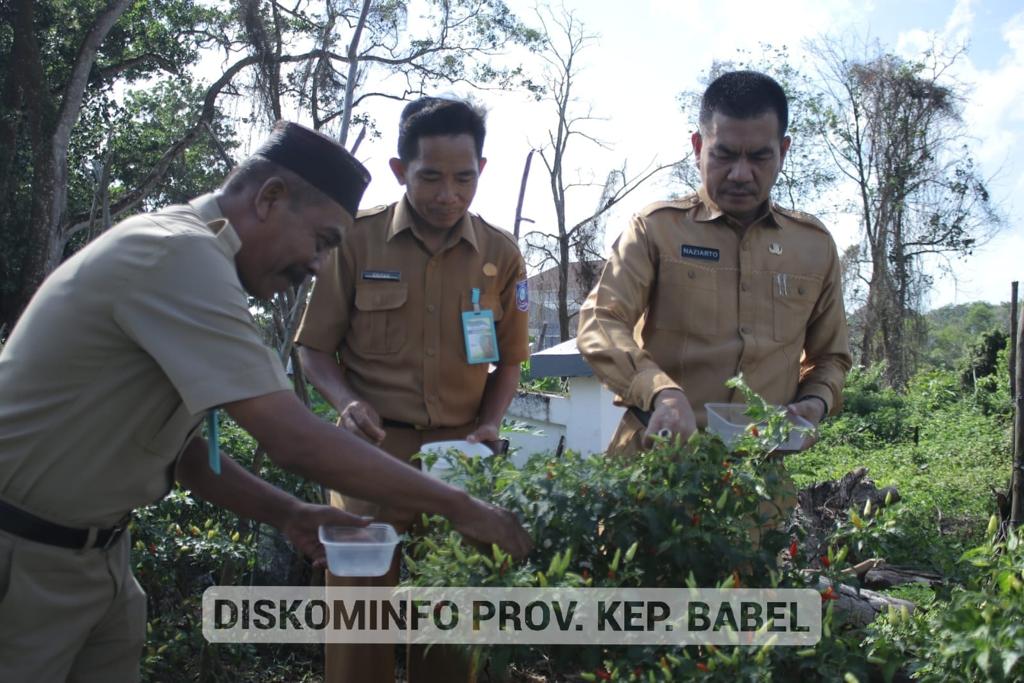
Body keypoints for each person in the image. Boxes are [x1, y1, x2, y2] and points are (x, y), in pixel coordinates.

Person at [0, 121, 531, 683]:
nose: (320, 265)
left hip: (100, 558)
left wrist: (288, 513)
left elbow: (185, 454)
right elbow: (292, 438)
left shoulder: (205, 263)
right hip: (23, 555)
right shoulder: (176, 256)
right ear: (270, 198)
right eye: (323, 241)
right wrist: (462, 506)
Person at [296, 97, 529, 683]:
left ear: (481, 169)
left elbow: (509, 363)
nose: (448, 194)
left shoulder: (500, 255)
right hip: (369, 460)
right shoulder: (356, 241)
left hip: (463, 463)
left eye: (463, 177)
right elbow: (313, 348)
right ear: (401, 171)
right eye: (431, 177)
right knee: (358, 629)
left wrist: (491, 425)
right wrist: (346, 403)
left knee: (450, 635)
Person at [577, 69, 852, 457]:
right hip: (654, 467)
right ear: (697, 146)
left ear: (784, 151)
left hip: (759, 482)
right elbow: (600, 321)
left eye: (759, 157)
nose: (741, 174)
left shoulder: (813, 247)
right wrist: (660, 392)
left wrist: (816, 401)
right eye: (723, 154)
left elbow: (831, 357)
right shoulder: (656, 230)